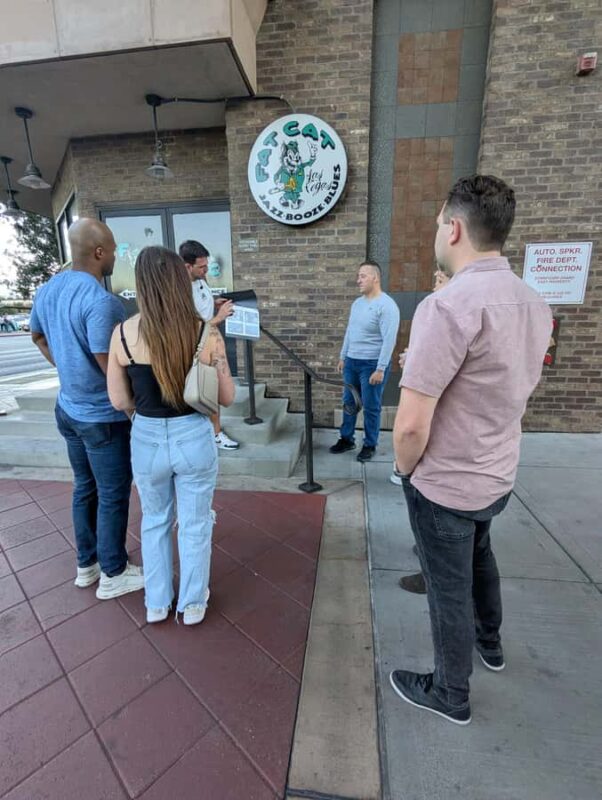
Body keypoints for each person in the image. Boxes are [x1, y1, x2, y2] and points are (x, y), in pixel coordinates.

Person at [389, 175, 552, 726]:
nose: (437, 231)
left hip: (447, 483)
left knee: (446, 588)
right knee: (480, 556)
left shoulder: (448, 306)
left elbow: (411, 426)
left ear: (453, 227)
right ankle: (492, 644)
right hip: (497, 473)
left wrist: (403, 471)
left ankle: (449, 692)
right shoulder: (532, 301)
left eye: (439, 223)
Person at [107, 246, 235, 625]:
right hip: (193, 435)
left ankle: (157, 602)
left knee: (154, 519)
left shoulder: (123, 334)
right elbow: (226, 397)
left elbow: (118, 400)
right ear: (181, 280)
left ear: (142, 285)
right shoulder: (204, 332)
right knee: (195, 522)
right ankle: (193, 604)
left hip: (145, 437)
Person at [30, 218, 143, 599]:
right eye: (112, 250)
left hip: (68, 410)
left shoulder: (47, 290)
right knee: (113, 494)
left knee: (84, 488)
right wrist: (132, 409)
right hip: (101, 418)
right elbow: (107, 362)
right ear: (99, 253)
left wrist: (65, 367)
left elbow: (37, 335)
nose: (114, 256)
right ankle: (113, 572)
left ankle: (87, 565)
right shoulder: (102, 302)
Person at [330, 261, 400, 462]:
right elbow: (350, 331)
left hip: (372, 365)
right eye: (358, 276)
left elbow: (389, 340)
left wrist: (380, 368)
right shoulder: (357, 303)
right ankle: (346, 439)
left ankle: (370, 444)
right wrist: (343, 356)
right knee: (349, 402)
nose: (358, 280)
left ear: (375, 278)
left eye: (362, 276)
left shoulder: (387, 306)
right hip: (352, 362)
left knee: (371, 406)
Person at [390, 268, 450, 486]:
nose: (435, 281)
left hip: (441, 477)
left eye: (441, 278)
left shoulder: (439, 309)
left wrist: (402, 470)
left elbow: (411, 427)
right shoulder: (527, 303)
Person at [178, 240, 239, 451]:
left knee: (213, 391)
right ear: (187, 266)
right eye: (201, 267)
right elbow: (190, 328)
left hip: (211, 343)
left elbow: (201, 305)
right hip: (195, 348)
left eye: (206, 266)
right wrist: (219, 318)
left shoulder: (200, 280)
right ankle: (214, 434)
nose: (206, 271)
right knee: (203, 393)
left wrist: (215, 303)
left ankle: (214, 431)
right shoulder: (178, 291)